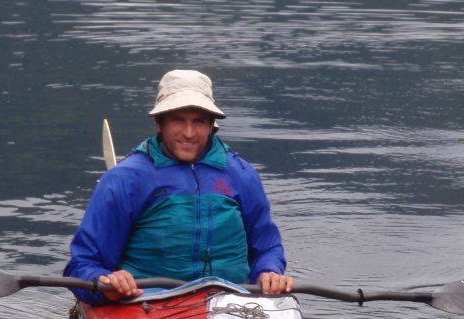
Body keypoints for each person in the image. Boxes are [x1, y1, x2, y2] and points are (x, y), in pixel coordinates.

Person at [64, 69, 293, 304]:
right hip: (147, 303)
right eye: (178, 120)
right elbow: (82, 266)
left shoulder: (242, 174)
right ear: (159, 123)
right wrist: (106, 282)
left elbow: (267, 247)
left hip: (232, 301)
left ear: (211, 125)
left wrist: (269, 271)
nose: (189, 133)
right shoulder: (125, 179)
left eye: (199, 122)